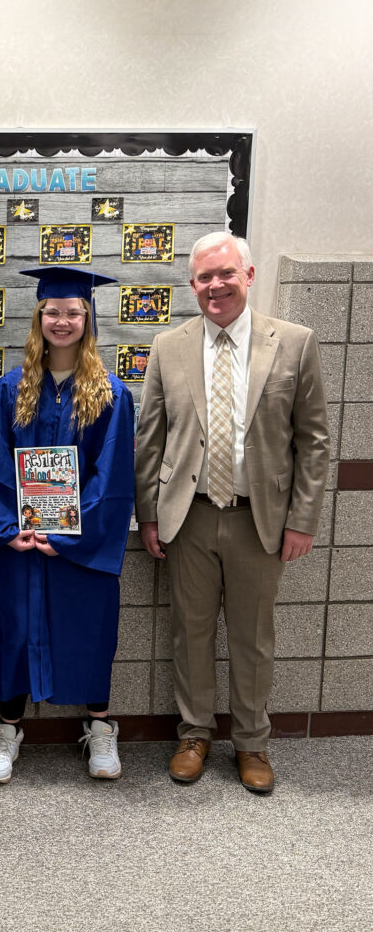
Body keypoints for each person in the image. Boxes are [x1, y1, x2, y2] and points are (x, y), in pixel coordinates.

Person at [135, 232, 330, 794]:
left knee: (253, 638)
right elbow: (150, 439)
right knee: (189, 634)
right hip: (188, 517)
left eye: (225, 273)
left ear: (248, 275)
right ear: (192, 284)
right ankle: (194, 734)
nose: (215, 285)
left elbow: (314, 441)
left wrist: (302, 519)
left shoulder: (293, 343)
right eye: (204, 277)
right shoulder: (168, 346)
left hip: (259, 520)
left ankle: (251, 742)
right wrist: (149, 516)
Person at [0, 265, 134, 784]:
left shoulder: (111, 393)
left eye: (73, 313)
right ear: (39, 316)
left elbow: (111, 476)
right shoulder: (12, 387)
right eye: (53, 312)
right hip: (22, 540)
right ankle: (7, 731)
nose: (62, 321)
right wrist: (8, 528)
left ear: (88, 319)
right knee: (16, 631)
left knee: (90, 628)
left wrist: (66, 534)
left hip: (80, 542)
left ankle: (100, 728)